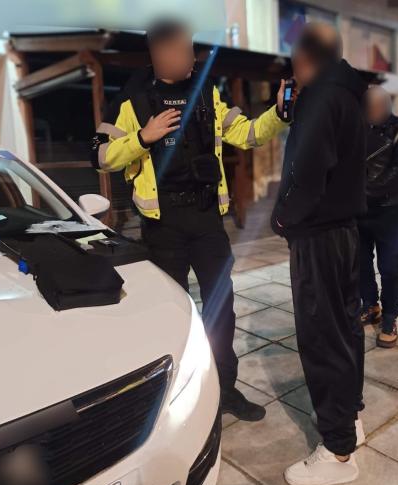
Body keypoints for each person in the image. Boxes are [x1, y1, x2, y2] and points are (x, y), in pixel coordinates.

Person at [91, 20, 290, 421]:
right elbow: (101, 156)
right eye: (182, 50)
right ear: (159, 53)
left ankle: (225, 389)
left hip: (206, 218)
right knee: (173, 310)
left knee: (222, 308)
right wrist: (142, 138)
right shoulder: (131, 99)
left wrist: (279, 114)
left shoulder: (206, 92)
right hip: (163, 223)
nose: (190, 57)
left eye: (191, 49)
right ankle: (182, 392)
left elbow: (248, 134)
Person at [271, 22, 367, 485]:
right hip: (345, 232)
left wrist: (282, 219)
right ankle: (348, 418)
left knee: (322, 339)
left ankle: (338, 450)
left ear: (304, 57)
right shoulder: (348, 92)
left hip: (319, 237)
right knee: (345, 330)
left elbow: (306, 173)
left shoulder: (320, 96)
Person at [359, 86, 398, 348]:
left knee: (391, 265)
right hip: (359, 210)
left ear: (386, 104)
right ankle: (370, 306)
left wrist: (363, 192)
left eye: (377, 104)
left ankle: (390, 316)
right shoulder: (358, 128)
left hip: (390, 209)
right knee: (359, 262)